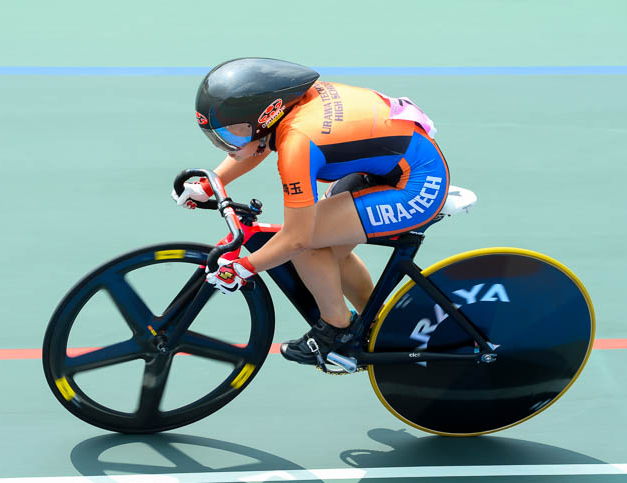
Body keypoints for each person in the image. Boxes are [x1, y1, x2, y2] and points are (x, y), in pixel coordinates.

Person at [173, 57, 449, 367]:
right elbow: (257, 144)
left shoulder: (298, 143)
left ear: (267, 115)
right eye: (217, 136)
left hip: (417, 184)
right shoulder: (292, 105)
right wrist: (212, 184)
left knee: (307, 242)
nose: (226, 145)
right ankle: (378, 328)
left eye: (232, 134)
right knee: (329, 247)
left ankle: (336, 333)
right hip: (388, 164)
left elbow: (297, 239)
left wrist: (241, 269)